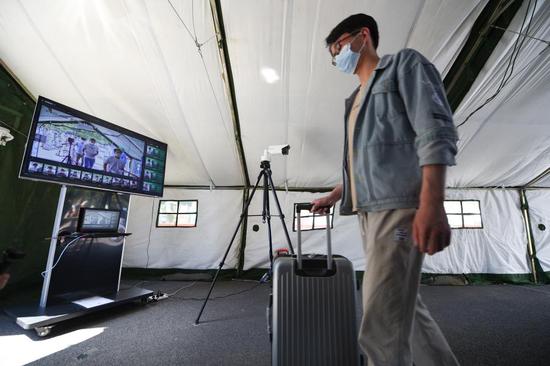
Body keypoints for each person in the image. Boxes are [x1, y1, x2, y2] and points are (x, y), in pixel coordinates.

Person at [311, 14, 459, 366]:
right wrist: (334, 195)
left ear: (363, 36)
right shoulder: (354, 100)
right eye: (333, 54)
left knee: (378, 325)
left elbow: (435, 130)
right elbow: (365, 164)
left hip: (398, 209)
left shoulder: (403, 66)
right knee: (406, 311)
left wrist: (432, 204)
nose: (337, 57)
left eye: (338, 46)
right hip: (369, 211)